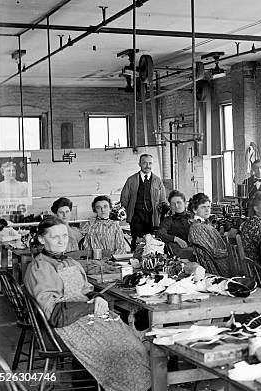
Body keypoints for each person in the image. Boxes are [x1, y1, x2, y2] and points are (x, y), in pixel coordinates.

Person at [24, 216, 150, 391]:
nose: (62, 241)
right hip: (63, 327)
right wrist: (90, 306)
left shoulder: (70, 262)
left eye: (65, 236)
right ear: (41, 239)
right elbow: (54, 314)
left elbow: (86, 289)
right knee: (122, 350)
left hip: (82, 317)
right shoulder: (40, 268)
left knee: (134, 343)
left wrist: (97, 297)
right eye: (55, 237)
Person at [120, 154, 167, 250]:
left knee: (151, 242)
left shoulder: (157, 181)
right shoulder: (131, 180)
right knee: (136, 242)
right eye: (145, 163)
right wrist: (130, 211)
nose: (147, 166)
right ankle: (135, 262)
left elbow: (163, 199)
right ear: (139, 164)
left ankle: (149, 263)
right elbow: (124, 198)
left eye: (150, 163)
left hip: (152, 217)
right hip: (136, 217)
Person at [187, 193, 233, 276]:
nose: (207, 210)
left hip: (220, 261)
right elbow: (212, 252)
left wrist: (224, 235)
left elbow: (213, 241)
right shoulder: (197, 228)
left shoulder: (203, 224)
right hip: (216, 266)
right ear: (194, 209)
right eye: (203, 207)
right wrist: (232, 251)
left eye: (208, 207)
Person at [156, 190, 193, 259]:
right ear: (170, 206)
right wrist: (176, 239)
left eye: (179, 202)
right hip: (178, 256)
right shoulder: (169, 220)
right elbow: (160, 233)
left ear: (185, 203)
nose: (176, 206)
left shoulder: (194, 218)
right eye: (173, 204)